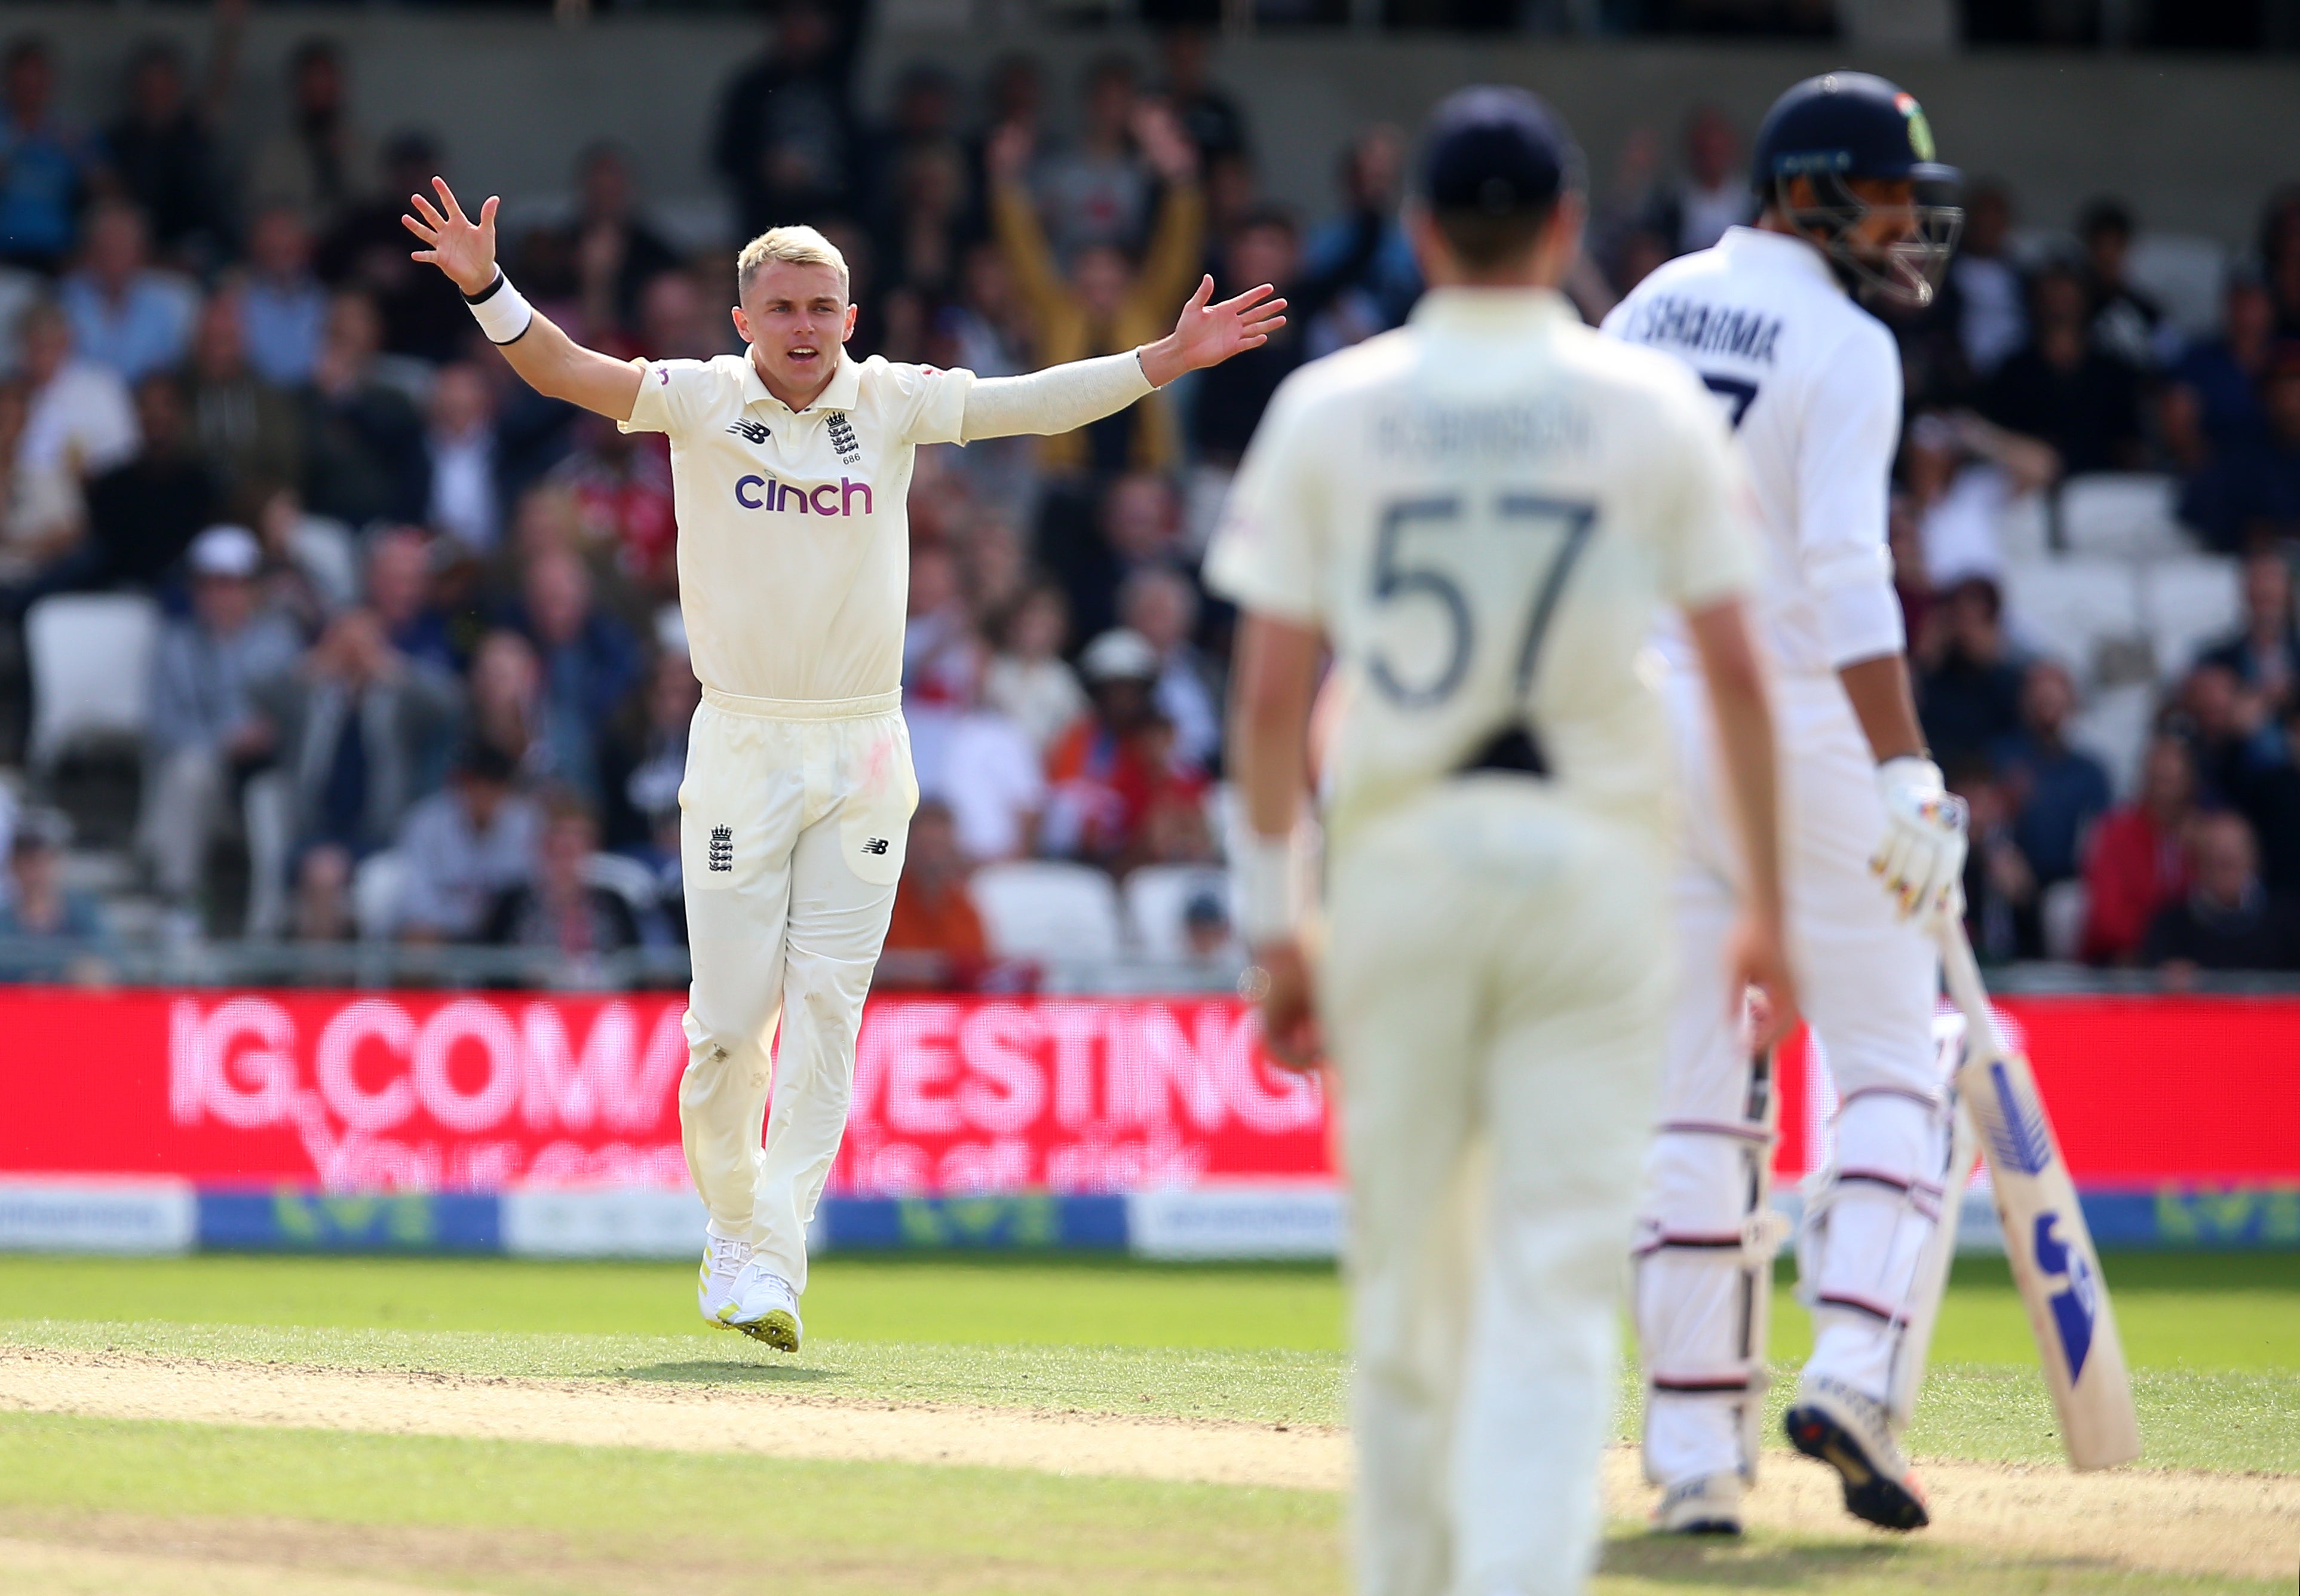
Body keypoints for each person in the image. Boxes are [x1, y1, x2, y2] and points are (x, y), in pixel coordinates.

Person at [400, 164, 1283, 1349]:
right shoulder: (703, 398)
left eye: (823, 308)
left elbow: (1029, 402)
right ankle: (732, 1223)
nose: (804, 327)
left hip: (863, 742)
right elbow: (564, 372)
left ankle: (771, 1254)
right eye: (783, 308)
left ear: (850, 320)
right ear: (743, 319)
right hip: (739, 740)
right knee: (726, 1025)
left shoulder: (892, 401)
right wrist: (490, 289)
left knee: (828, 1009)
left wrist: (1156, 364)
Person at [1211, 87, 1789, 1596]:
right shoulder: (1645, 404)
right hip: (1596, 883)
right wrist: (1774, 910)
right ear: (1565, 230)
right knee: (1549, 1289)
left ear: (1414, 235)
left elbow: (1272, 698)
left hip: (1402, 875)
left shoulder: (1333, 405)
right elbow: (1736, 670)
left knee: (1411, 1290)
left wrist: (1278, 921)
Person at [1603, 72, 1973, 1534]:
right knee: (1897, 1057)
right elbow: (1849, 577)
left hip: (1638, 715)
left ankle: (1694, 1456)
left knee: (1694, 1093)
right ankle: (1860, 1365)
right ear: (1814, 188)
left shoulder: (1646, 307)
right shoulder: (1846, 342)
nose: (1908, 223)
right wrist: (1904, 767)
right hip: (1801, 724)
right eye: (1890, 192)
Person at [139, 524, 302, 923]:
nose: (216, 595)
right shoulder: (175, 643)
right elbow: (163, 728)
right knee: (189, 770)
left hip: (261, 780)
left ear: (252, 588)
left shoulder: (282, 642)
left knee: (197, 772)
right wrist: (225, 741)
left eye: (229, 583)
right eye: (207, 584)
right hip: (203, 782)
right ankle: (180, 902)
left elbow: (292, 721)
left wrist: (255, 738)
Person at [394, 742, 542, 943]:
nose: (485, 794)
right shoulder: (426, 823)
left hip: (503, 935)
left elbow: (532, 892)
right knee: (418, 942)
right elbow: (417, 900)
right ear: (461, 784)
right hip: (440, 933)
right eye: (477, 784)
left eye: (494, 785)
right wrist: (462, 923)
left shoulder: (527, 823)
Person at [2140, 809, 2300, 976]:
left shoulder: (2288, 921)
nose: (2225, 871)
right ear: (2197, 863)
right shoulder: (2170, 927)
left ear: (2253, 859)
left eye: (2232, 862)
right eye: (2216, 862)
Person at [2081, 733, 2196, 965]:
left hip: (2193, 963)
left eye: (2174, 781)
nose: (2167, 793)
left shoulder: (2202, 835)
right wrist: (2157, 948)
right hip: (2125, 960)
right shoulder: (2117, 832)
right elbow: (2107, 918)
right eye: (2160, 780)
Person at [876, 798, 990, 991]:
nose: (933, 860)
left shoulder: (965, 908)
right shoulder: (883, 902)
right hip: (889, 1013)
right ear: (908, 847)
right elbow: (860, 968)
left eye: (940, 847)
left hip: (952, 1016)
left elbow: (979, 971)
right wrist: (931, 968)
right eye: (927, 847)